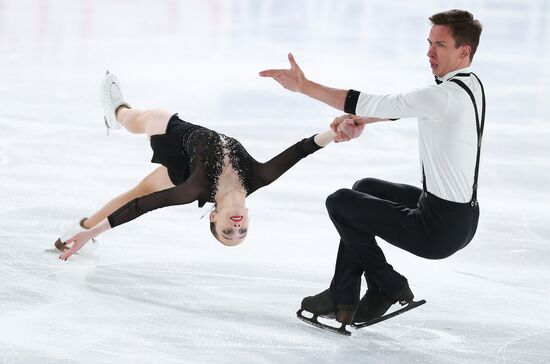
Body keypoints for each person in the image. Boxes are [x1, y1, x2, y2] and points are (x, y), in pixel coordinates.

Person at [260, 9, 485, 328]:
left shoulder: (443, 96)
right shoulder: (468, 85)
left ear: (465, 51)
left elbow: (376, 102)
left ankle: (386, 285)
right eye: (429, 42)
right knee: (365, 189)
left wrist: (304, 86)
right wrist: (361, 120)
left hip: (438, 231)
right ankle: (345, 296)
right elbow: (404, 108)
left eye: (441, 45)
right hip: (460, 217)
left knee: (340, 202)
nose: (430, 52)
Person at [55, 71, 371, 260]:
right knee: (144, 185)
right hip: (190, 158)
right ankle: (79, 231)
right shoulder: (260, 177)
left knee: (146, 122)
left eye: (227, 230)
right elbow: (303, 149)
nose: (236, 225)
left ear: (214, 217)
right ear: (247, 217)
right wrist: (336, 131)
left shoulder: (193, 189)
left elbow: (141, 206)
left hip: (179, 142)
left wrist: (98, 231)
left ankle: (118, 113)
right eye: (241, 229)